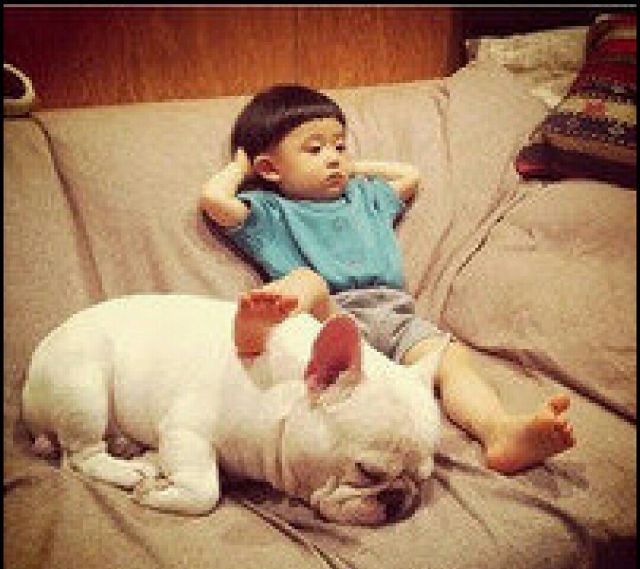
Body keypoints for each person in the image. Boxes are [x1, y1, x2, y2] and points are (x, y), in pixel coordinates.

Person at [199, 83, 575, 474]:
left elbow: (410, 175)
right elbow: (215, 200)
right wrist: (241, 169)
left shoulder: (367, 197)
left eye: (340, 146)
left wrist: (353, 168)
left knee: (451, 359)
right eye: (315, 149)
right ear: (269, 168)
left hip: (395, 315)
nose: (334, 158)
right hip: (330, 320)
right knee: (308, 281)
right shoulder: (270, 213)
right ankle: (256, 333)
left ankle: (499, 432)